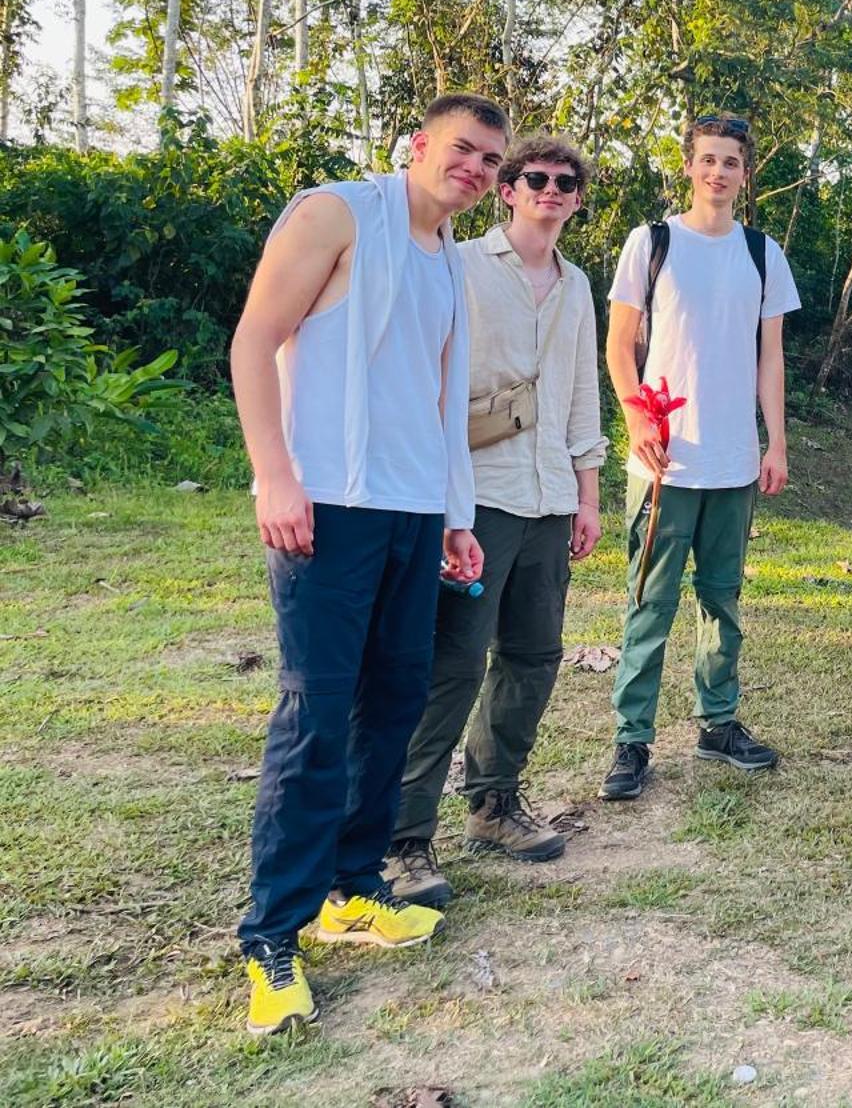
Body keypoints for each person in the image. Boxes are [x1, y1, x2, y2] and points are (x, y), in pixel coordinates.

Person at [229, 92, 508, 1035]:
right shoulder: (338, 211)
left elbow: (439, 398)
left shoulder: (447, 263)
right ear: (421, 144)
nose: (475, 169)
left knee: (393, 699)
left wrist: (455, 518)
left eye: (490, 163)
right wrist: (276, 475)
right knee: (317, 711)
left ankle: (353, 886)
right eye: (464, 150)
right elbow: (255, 339)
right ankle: (273, 933)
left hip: (411, 513)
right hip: (327, 506)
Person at [385, 137, 607, 907]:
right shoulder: (463, 265)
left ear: (578, 198)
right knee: (451, 665)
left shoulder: (576, 285)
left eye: (565, 182)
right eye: (534, 178)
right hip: (476, 496)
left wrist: (588, 495)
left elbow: (583, 396)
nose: (550, 189)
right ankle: (403, 838)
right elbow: (431, 371)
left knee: (535, 656)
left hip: (549, 498)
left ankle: (493, 802)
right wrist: (446, 502)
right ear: (508, 190)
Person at [598, 114, 800, 800]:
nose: (718, 172)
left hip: (734, 461)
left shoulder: (763, 252)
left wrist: (776, 441)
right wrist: (634, 422)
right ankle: (632, 740)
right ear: (688, 167)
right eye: (708, 160)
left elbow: (769, 356)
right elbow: (619, 347)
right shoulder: (651, 243)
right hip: (665, 462)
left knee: (724, 599)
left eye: (731, 162)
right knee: (650, 602)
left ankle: (718, 724)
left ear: (746, 174)